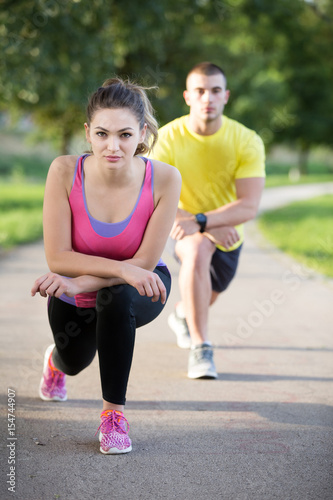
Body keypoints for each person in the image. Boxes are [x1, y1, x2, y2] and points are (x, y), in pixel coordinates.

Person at [31, 77, 181, 455]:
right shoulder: (64, 171)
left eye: (125, 134)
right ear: (88, 133)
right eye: (102, 134)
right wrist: (99, 277)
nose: (112, 146)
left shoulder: (164, 178)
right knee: (73, 361)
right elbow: (57, 257)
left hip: (142, 286)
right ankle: (55, 361)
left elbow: (143, 264)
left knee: (116, 298)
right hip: (75, 289)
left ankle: (113, 417)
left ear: (141, 133)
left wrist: (84, 282)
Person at [150, 62, 265, 380]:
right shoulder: (168, 138)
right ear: (188, 96)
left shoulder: (246, 140)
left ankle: (183, 315)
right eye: (200, 91)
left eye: (215, 91)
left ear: (226, 96)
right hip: (183, 226)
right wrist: (196, 225)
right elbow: (152, 196)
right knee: (197, 250)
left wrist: (206, 222)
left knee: (209, 291)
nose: (207, 98)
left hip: (226, 233)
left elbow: (249, 205)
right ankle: (202, 348)